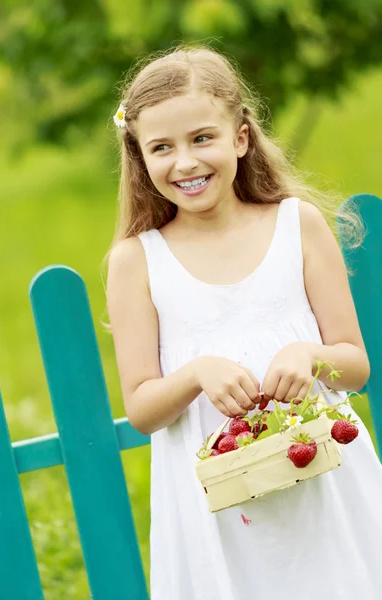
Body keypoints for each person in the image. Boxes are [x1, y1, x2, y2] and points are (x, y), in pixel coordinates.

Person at [105, 45, 382, 600]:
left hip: (325, 487)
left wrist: (311, 355)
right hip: (218, 513)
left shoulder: (295, 226)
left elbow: (355, 366)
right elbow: (140, 408)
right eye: (162, 147)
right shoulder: (138, 261)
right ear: (141, 157)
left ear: (240, 138)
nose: (184, 162)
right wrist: (194, 372)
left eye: (202, 138)